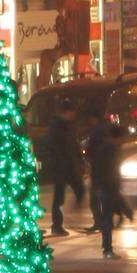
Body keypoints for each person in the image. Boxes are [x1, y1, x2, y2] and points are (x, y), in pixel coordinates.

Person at [45, 99, 84, 237]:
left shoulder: (69, 126)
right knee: (59, 197)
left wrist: (79, 159)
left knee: (79, 189)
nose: (73, 115)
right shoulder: (56, 127)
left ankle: (69, 215)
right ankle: (57, 225)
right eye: (71, 112)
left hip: (69, 165)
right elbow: (54, 147)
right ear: (65, 112)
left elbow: (73, 144)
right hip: (61, 166)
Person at [85, 115, 122, 260]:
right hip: (106, 185)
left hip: (100, 184)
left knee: (105, 217)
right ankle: (107, 249)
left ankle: (107, 247)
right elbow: (109, 170)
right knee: (107, 218)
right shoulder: (110, 148)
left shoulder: (100, 144)